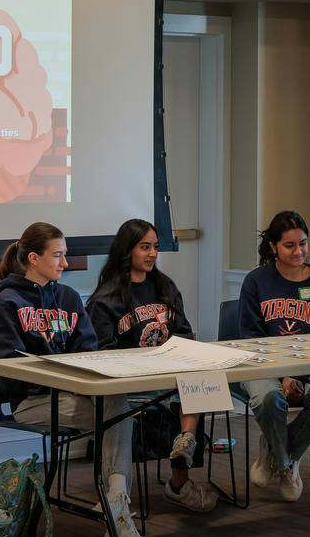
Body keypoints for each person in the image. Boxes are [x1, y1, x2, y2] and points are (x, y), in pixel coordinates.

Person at [0, 223, 149, 537]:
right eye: (58, 256)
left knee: (119, 409)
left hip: (74, 394)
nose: (65, 264)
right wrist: (65, 381)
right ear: (34, 258)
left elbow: (89, 351)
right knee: (120, 416)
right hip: (33, 401)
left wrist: (82, 379)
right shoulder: (9, 301)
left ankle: (115, 504)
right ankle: (117, 515)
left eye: (65, 256)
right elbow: (10, 369)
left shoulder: (69, 298)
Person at [86, 220, 215, 516]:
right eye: (145, 247)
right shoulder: (106, 299)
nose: (153, 253)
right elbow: (101, 354)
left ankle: (185, 446)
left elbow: (183, 332)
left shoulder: (164, 287)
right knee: (187, 392)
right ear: (126, 250)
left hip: (169, 373)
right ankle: (181, 480)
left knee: (201, 382)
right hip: (131, 383)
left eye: (156, 247)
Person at [236, 211, 310, 501]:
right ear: (273, 247)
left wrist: (296, 374)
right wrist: (283, 375)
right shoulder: (256, 281)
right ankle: (286, 463)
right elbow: (251, 338)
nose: (299, 251)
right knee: (269, 399)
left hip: (308, 366)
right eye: (290, 246)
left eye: (303, 244)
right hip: (261, 366)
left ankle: (275, 451)